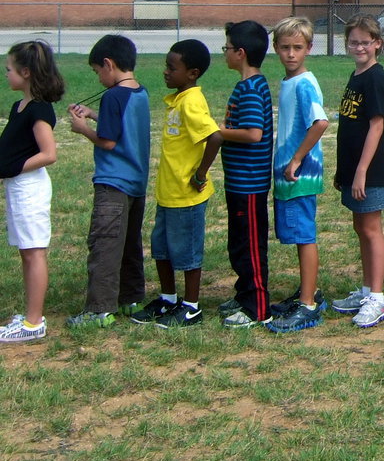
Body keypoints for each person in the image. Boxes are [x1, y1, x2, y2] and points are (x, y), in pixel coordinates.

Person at [133, 39, 222, 327]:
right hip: (168, 193)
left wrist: (200, 174)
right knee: (161, 248)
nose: (166, 72)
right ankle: (168, 299)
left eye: (172, 68)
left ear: (192, 73)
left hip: (187, 196)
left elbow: (215, 136)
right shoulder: (179, 99)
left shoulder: (192, 101)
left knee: (186, 252)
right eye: (166, 66)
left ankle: (192, 306)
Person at [66, 34, 151, 327]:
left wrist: (82, 128)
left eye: (96, 72)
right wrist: (92, 113)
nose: (98, 78)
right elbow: (121, 123)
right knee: (128, 243)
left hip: (113, 183)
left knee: (105, 244)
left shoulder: (113, 95)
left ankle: (99, 309)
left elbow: (108, 141)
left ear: (108, 64)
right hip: (136, 184)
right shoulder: (140, 92)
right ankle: (130, 298)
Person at [330, 16, 384, 328]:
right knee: (360, 227)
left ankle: (378, 298)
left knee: (371, 229)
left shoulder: (375, 77)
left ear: (377, 44)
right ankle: (368, 289)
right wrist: (345, 170)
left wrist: (361, 171)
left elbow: (377, 124)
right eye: (354, 42)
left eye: (365, 42)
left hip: (371, 170)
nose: (359, 47)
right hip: (353, 169)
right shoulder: (356, 76)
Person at [265, 17, 330, 333]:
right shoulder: (289, 82)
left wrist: (296, 159)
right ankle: (307, 292)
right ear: (276, 48)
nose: (291, 54)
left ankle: (308, 305)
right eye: (285, 47)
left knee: (304, 235)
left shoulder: (305, 83)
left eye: (298, 48)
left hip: (299, 174)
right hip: (289, 172)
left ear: (309, 49)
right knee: (296, 233)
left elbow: (320, 123)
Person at [0, 41, 64, 342]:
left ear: (25, 72)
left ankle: (34, 322)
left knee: (34, 251)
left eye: (9, 69)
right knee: (26, 252)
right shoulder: (20, 106)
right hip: (18, 187)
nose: (6, 74)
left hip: (30, 188)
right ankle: (29, 315)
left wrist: (13, 166)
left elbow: (48, 153)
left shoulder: (39, 109)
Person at [216, 21, 274, 328]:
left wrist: (217, 131)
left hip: (249, 183)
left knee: (251, 246)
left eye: (226, 48)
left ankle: (257, 306)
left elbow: (253, 133)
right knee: (238, 244)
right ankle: (243, 294)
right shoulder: (248, 85)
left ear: (240, 53)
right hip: (238, 181)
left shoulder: (251, 88)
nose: (224, 53)